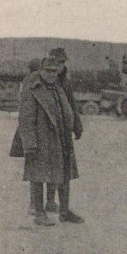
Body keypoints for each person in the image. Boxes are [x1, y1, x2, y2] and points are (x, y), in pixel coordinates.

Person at [10, 56, 84, 226]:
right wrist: (29, 143)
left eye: (54, 71)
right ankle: (39, 213)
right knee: (37, 176)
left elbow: (68, 109)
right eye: (48, 71)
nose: (52, 74)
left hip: (61, 139)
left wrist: (74, 126)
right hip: (41, 141)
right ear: (40, 71)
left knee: (64, 174)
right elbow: (26, 119)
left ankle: (64, 212)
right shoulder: (32, 89)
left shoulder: (57, 88)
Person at [44, 48, 83, 212]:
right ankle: (49, 202)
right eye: (56, 62)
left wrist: (77, 126)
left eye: (62, 63)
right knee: (49, 168)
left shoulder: (65, 82)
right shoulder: (44, 81)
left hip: (64, 133)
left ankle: (64, 208)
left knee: (65, 168)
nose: (59, 66)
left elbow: (72, 105)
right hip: (48, 131)